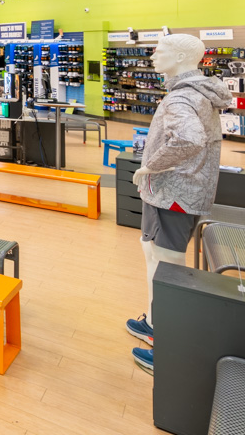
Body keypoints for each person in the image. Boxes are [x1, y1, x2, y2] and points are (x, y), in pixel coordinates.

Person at [125, 33, 233, 374]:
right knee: (153, 253)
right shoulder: (195, 92)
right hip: (173, 191)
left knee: (167, 265)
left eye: (162, 51)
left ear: (183, 57)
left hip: (175, 192)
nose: (154, 56)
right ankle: (156, 324)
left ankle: (170, 347)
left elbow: (188, 138)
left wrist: (150, 165)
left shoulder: (182, 99)